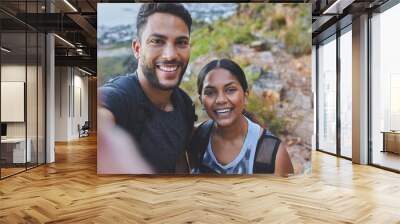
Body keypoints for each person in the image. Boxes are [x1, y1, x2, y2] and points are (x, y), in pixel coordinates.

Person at [98, 3, 196, 174]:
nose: (171, 55)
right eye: (157, 41)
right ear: (137, 49)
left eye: (181, 42)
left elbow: (179, 161)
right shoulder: (120, 97)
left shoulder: (184, 103)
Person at [187, 59, 294, 176]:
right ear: (201, 100)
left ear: (245, 96)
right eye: (210, 92)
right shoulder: (196, 137)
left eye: (230, 90)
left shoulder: (272, 154)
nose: (221, 100)